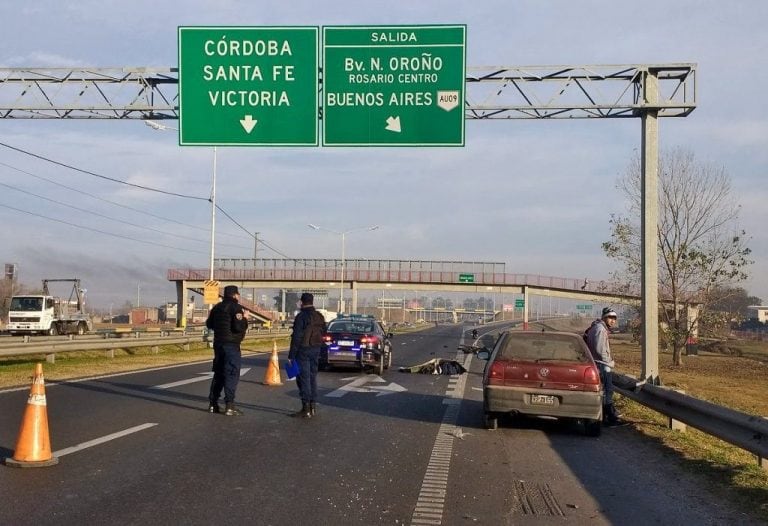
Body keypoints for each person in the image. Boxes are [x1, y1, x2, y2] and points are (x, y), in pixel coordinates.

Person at [206, 285, 249, 416]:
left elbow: (209, 324)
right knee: (231, 373)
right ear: (235, 295)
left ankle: (213, 404)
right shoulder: (236, 308)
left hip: (218, 344)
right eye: (238, 295)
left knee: (219, 373)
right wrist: (245, 318)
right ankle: (229, 405)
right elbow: (237, 327)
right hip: (231, 345)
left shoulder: (217, 307)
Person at [585, 307, 625, 427]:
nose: (613, 320)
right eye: (610, 317)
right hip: (602, 365)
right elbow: (599, 349)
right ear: (604, 317)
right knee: (608, 392)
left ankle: (607, 415)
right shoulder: (600, 329)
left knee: (604, 392)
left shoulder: (595, 327)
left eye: (614, 318)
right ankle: (609, 419)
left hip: (597, 363)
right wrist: (609, 361)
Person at [288, 292, 327, 418]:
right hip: (316, 349)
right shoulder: (319, 316)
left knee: (303, 379)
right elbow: (324, 332)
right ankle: (313, 405)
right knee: (312, 378)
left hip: (303, 350)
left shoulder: (301, 317)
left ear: (301, 302)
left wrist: (291, 355)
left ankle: (306, 408)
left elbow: (297, 337)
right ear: (312, 301)